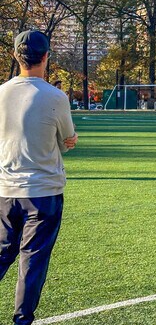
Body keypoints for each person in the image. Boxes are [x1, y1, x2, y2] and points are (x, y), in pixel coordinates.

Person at [0, 30, 78, 325]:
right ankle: (22, 320)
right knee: (32, 259)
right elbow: (66, 140)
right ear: (46, 57)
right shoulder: (56, 96)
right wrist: (70, 140)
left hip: (6, 190)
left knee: (3, 252)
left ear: (14, 56)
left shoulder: (1, 93)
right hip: (44, 192)